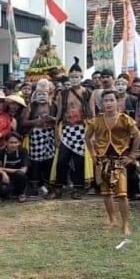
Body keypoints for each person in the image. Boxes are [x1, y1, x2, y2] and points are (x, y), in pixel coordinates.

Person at [85, 90, 140, 235]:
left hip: (119, 161)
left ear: (118, 102)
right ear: (101, 103)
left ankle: (125, 224)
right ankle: (112, 219)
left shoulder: (125, 119)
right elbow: (87, 138)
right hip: (102, 160)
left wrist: (132, 155)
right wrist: (92, 154)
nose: (109, 103)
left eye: (111, 100)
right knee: (106, 193)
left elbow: (137, 136)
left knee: (122, 194)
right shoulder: (96, 120)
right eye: (106, 101)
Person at [51, 62, 92, 200]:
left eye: (77, 76)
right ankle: (58, 188)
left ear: (81, 77)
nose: (74, 78)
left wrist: (91, 133)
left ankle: (78, 188)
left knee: (79, 160)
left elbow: (91, 113)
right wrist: (57, 132)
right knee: (62, 159)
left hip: (82, 129)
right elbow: (58, 114)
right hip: (67, 129)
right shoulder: (63, 93)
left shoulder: (87, 93)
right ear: (69, 77)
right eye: (72, 76)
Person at [0, 132, 30, 202]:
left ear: (19, 143)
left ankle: (21, 194)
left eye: (16, 142)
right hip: (5, 178)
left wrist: (3, 169)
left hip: (17, 178)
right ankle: (2, 195)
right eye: (11, 142)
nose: (13, 145)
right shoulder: (1, 152)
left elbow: (23, 170)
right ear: (6, 142)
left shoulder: (23, 151)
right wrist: (3, 173)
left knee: (20, 174)